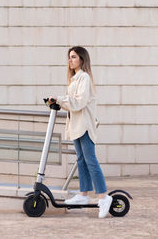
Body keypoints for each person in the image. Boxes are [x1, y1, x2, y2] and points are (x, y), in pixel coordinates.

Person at [49, 46, 112, 218]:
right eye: (69, 57)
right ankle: (83, 195)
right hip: (76, 126)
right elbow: (73, 103)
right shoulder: (75, 80)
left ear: (82, 60)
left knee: (90, 160)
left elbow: (79, 102)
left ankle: (104, 196)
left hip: (84, 125)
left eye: (74, 57)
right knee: (81, 160)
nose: (70, 60)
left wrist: (60, 99)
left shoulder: (84, 78)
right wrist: (59, 101)